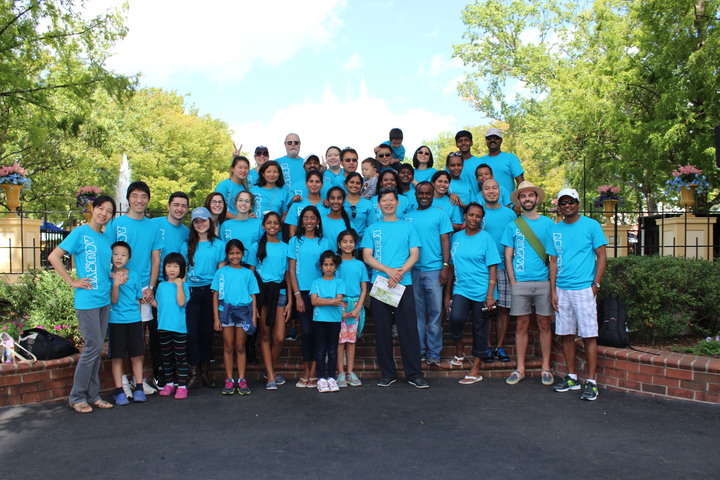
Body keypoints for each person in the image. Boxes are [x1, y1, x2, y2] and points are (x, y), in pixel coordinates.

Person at [48, 195, 116, 413]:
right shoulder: (80, 233)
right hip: (87, 300)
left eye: (109, 211)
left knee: (96, 349)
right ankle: (77, 397)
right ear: (93, 209)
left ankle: (93, 396)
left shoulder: (106, 238)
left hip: (104, 299)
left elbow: (103, 268)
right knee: (92, 348)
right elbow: (54, 257)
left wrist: (114, 275)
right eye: (101, 209)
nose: (104, 214)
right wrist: (71, 281)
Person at [361, 188, 428, 388]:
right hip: (381, 284)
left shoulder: (407, 227)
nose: (388, 203)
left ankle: (414, 374)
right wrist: (388, 271)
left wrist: (399, 273)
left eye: (391, 200)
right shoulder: (372, 229)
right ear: (379, 204)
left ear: (397, 203)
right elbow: (367, 256)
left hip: (403, 284)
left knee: (408, 331)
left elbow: (414, 254)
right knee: (382, 331)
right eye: (384, 200)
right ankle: (387, 373)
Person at [548, 188, 607, 401]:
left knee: (589, 335)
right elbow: (553, 261)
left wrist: (595, 285)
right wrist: (553, 291)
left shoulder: (591, 225)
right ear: (559, 206)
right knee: (566, 334)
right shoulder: (555, 229)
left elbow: (602, 256)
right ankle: (572, 377)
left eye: (570, 201)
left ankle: (591, 382)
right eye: (563, 203)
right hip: (562, 289)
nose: (567, 206)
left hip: (583, 289)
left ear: (578, 203)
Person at [104, 181, 162, 395]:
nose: (139, 200)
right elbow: (105, 255)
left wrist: (151, 287)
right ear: (128, 199)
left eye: (144, 196)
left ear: (148, 200)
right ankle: (123, 381)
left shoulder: (153, 226)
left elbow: (155, 260)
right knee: (120, 335)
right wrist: (114, 277)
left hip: (143, 287)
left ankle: (139, 380)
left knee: (139, 336)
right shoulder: (115, 224)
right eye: (135, 196)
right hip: (119, 286)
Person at [501, 181, 555, 386]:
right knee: (521, 325)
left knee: (544, 324)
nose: (527, 199)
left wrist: (551, 282)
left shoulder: (549, 224)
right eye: (523, 196)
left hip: (543, 282)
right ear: (519, 201)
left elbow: (554, 256)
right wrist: (513, 281)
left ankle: (546, 368)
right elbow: (508, 256)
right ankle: (520, 368)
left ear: (537, 198)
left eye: (530, 195)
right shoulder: (513, 225)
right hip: (520, 284)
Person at [444, 202, 500, 384]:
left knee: (479, 328)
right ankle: (459, 350)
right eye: (471, 215)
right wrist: (447, 294)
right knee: (456, 319)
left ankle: (475, 369)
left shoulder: (486, 238)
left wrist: (490, 295)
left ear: (481, 219)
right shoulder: (456, 237)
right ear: (465, 216)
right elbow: (451, 267)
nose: (474, 219)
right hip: (461, 288)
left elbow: (493, 268)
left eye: (478, 216)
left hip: (482, 291)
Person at [404, 182, 453, 366]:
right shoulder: (407, 218)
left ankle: (434, 352)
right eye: (421, 193)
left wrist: (445, 265)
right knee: (417, 313)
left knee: (436, 312)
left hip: (435, 269)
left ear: (432, 194)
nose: (424, 196)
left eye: (428, 193)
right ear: (415, 195)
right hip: (413, 270)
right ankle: (419, 350)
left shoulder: (440, 214)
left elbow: (445, 241)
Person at [288, 206, 333, 388]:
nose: (309, 221)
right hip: (302, 293)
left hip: (321, 293)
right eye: (305, 218)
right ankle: (306, 370)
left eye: (312, 218)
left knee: (318, 333)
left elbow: (329, 269)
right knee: (306, 332)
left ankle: (313, 372)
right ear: (301, 221)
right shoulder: (294, 241)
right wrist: (297, 295)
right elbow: (291, 270)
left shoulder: (325, 242)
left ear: (318, 221)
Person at [246, 212, 293, 390]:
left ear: (280, 227)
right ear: (263, 225)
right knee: (265, 335)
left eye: (275, 223)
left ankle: (269, 369)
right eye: (269, 223)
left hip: (279, 293)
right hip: (262, 294)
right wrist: (253, 302)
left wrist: (290, 300)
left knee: (279, 338)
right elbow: (250, 274)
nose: (272, 226)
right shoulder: (256, 246)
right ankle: (271, 376)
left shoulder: (285, 247)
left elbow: (288, 275)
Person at [181, 207, 226, 389]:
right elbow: (183, 272)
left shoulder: (219, 245)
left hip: (210, 292)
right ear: (193, 224)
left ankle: (206, 373)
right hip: (191, 292)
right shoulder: (186, 246)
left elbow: (221, 273)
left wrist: (219, 295)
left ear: (210, 221)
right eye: (196, 221)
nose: (200, 224)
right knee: (191, 334)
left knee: (207, 334)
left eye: (203, 220)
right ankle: (194, 372)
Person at [150, 191, 190, 388]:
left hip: (178, 285)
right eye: (176, 204)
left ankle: (179, 377)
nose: (179, 209)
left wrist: (182, 282)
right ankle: (161, 374)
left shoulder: (186, 232)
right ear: (168, 206)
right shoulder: (154, 224)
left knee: (176, 331)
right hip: (158, 283)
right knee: (158, 331)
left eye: (183, 205)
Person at [212, 239, 259, 396]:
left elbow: (253, 296)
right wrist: (216, 319)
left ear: (243, 254)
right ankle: (229, 380)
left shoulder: (248, 273)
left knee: (240, 346)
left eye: (238, 253)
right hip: (225, 313)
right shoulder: (221, 273)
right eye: (231, 253)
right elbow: (215, 295)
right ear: (227, 255)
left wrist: (253, 317)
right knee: (228, 346)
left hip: (243, 314)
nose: (235, 256)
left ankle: (242, 379)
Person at [481, 179, 518, 363]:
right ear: (482, 193)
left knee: (504, 309)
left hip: (504, 267)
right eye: (487, 188)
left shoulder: (510, 214)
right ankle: (487, 346)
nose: (491, 191)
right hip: (483, 269)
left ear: (500, 191)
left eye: (494, 188)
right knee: (488, 310)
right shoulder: (478, 213)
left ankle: (500, 346)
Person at [108, 241, 146, 405]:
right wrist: (116, 284)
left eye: (123, 255)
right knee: (117, 357)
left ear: (128, 258)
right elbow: (113, 300)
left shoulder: (134, 276)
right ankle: (119, 391)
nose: (119, 257)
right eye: (116, 254)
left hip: (134, 321)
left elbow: (138, 299)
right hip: (116, 321)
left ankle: (139, 388)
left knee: (136, 356)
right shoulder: (108, 275)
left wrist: (138, 319)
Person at [154, 253, 191, 399]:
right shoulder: (161, 285)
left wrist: (179, 285)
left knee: (181, 357)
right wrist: (148, 300)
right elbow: (159, 305)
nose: (172, 269)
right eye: (169, 266)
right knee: (166, 357)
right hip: (163, 326)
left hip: (179, 328)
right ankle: (169, 384)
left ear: (181, 269)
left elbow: (181, 302)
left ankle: (182, 386)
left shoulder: (184, 286)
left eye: (176, 266)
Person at [335, 230, 368, 387]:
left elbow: (364, 289)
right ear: (339, 244)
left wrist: (358, 307)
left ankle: (350, 371)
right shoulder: (335, 264)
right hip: (339, 305)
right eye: (344, 241)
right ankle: (340, 372)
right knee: (340, 341)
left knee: (351, 340)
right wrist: (339, 309)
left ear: (355, 244)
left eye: (351, 241)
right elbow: (332, 286)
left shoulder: (360, 264)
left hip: (355, 305)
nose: (348, 244)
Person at [310, 250, 346, 393]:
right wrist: (331, 300)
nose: (329, 267)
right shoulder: (316, 282)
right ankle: (321, 378)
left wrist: (322, 300)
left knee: (332, 349)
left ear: (335, 266)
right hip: (319, 320)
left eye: (331, 264)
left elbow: (339, 300)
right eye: (326, 264)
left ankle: (331, 377)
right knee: (320, 350)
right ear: (321, 266)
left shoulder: (340, 282)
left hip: (335, 320)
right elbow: (314, 301)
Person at [477, 127, 524, 199]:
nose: (492, 140)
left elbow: (520, 181)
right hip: (486, 204)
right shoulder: (479, 161)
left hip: (508, 203)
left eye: (496, 138)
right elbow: (478, 184)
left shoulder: (510, 158)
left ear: (501, 140)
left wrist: (519, 201)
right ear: (486, 140)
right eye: (489, 138)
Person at [286, 170, 328, 237]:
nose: (314, 184)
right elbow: (292, 231)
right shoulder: (297, 204)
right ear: (306, 184)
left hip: (322, 242)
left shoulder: (327, 205)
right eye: (311, 181)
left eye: (317, 182)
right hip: (301, 242)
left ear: (322, 185)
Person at [343, 172, 374, 241]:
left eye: (358, 183)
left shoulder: (367, 204)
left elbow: (371, 225)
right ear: (345, 184)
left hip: (362, 242)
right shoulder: (340, 202)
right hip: (343, 242)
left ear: (361, 186)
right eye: (352, 182)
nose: (354, 185)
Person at [453, 130, 482, 196]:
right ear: (457, 144)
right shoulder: (452, 164)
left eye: (466, 140)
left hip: (476, 201)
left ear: (471, 143)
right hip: (456, 201)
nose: (463, 143)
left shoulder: (479, 163)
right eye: (460, 141)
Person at [275, 132, 305, 197]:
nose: (293, 145)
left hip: (302, 201)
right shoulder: (276, 163)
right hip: (281, 201)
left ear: (300, 144)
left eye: (296, 142)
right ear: (285, 144)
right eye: (289, 143)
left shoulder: (307, 163)